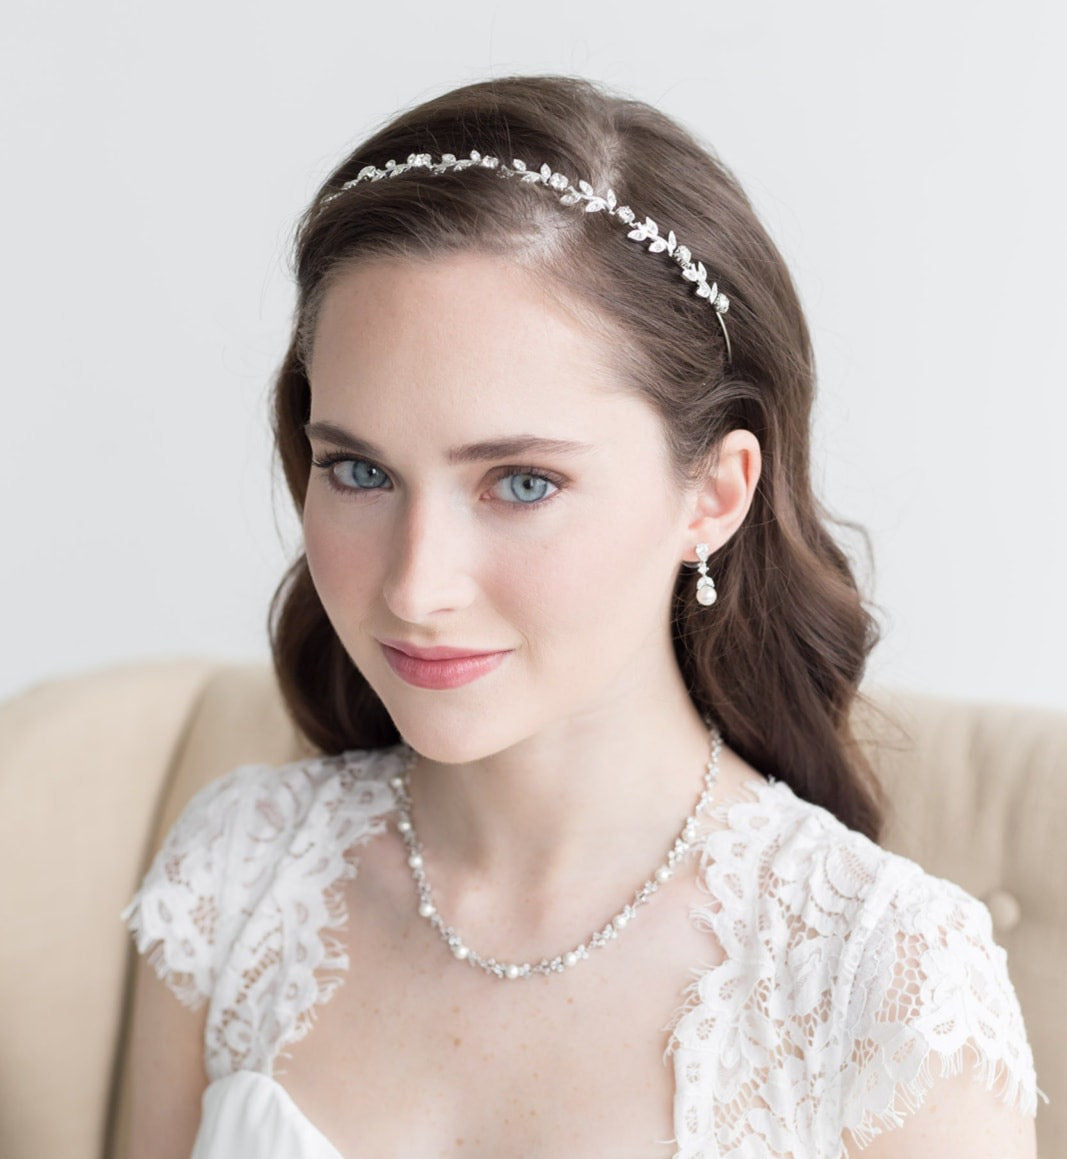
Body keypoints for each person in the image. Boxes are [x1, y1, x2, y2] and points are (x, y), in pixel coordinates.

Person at [119, 74, 1047, 1157]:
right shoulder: (234, 875)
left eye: (519, 482)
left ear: (712, 492)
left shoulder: (886, 987)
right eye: (360, 469)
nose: (416, 587)